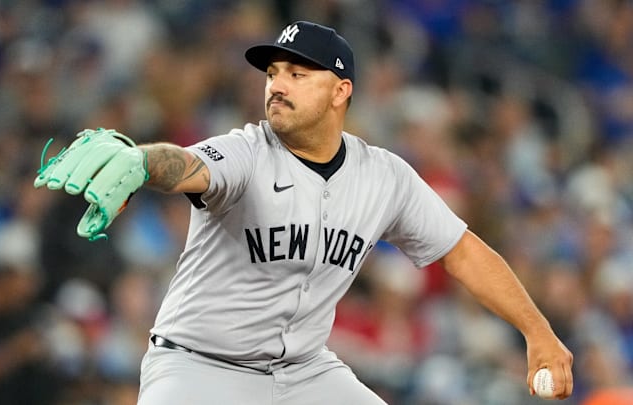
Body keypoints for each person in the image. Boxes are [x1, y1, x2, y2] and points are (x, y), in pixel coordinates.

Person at [34, 20, 574, 404]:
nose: (278, 84)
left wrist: (537, 331)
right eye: (274, 72)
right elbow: (187, 166)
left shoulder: (382, 175)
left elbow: (462, 252)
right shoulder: (246, 150)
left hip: (305, 375)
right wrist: (141, 161)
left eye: (298, 73)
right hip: (198, 368)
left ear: (341, 91)